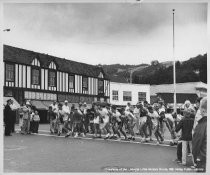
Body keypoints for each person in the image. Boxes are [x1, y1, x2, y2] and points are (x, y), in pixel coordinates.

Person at [192, 97, 207, 172]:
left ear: (203, 110)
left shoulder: (202, 125)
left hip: (203, 161)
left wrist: (196, 160)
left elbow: (195, 147)